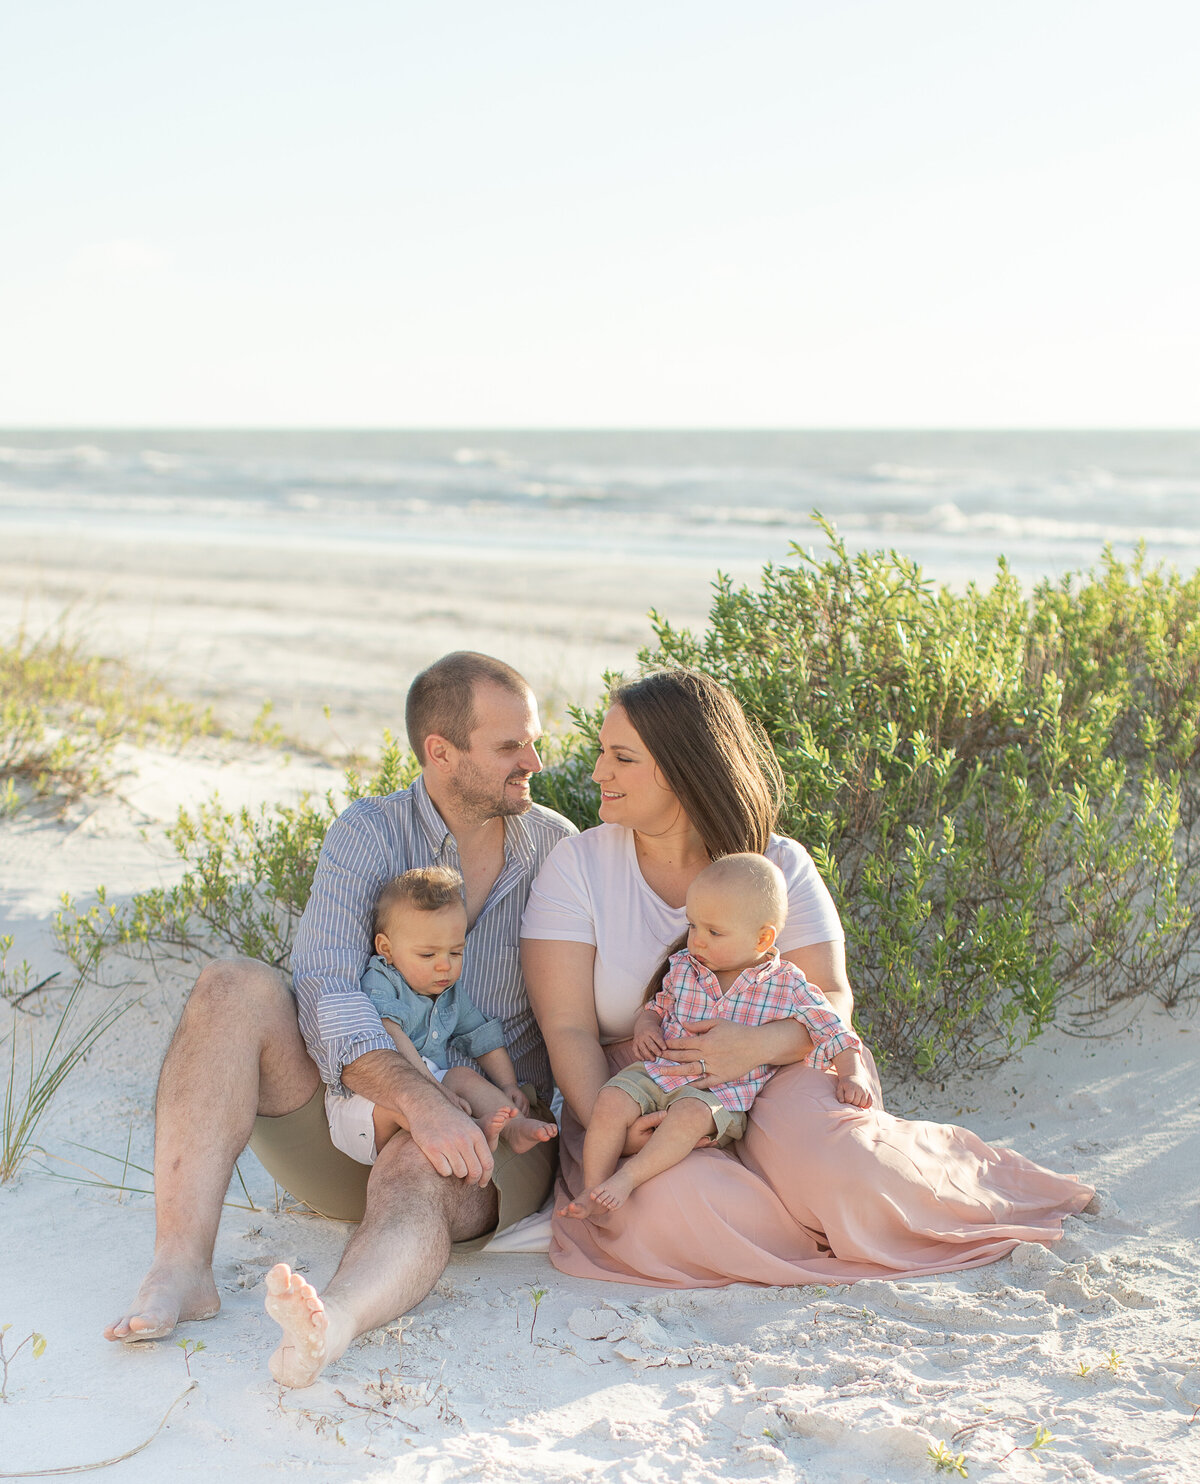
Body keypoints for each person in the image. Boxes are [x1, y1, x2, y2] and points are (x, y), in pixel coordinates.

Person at [521, 668, 1093, 1289]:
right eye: (603, 753)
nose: (598, 772)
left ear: (683, 767)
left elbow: (831, 998)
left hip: (783, 1067)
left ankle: (873, 1190)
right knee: (675, 1212)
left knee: (847, 1172)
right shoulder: (577, 866)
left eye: (620, 756)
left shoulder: (778, 865)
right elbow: (568, 1027)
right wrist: (618, 1127)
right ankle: (801, 1220)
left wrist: (754, 1047)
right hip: (650, 1082)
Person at [104, 652, 574, 1388]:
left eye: (532, 739)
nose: (534, 760)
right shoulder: (369, 832)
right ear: (440, 752)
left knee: (428, 1153)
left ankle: (331, 1323)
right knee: (232, 985)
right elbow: (324, 986)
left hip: (492, 1141)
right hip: (346, 1121)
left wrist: (459, 1111)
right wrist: (416, 1098)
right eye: (510, 745)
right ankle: (180, 1270)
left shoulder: (556, 847)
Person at [560, 852, 869, 1221]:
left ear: (763, 937)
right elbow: (659, 1005)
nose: (697, 941)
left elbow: (832, 1026)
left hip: (718, 1093)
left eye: (714, 932)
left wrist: (852, 1072)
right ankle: (592, 1188)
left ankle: (627, 1179)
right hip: (659, 1071)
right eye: (693, 926)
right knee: (610, 1098)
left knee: (689, 1117)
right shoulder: (684, 968)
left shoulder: (787, 984)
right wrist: (647, 1025)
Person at [337, 865, 558, 1161]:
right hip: (370, 1103)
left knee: (462, 1076)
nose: (445, 966)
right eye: (428, 955)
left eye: (455, 952)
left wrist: (508, 1085)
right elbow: (391, 1033)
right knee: (402, 1103)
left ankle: (512, 1126)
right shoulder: (382, 979)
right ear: (386, 948)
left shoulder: (450, 993)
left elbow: (482, 1037)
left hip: (433, 1094)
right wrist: (431, 1093)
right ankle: (462, 1125)